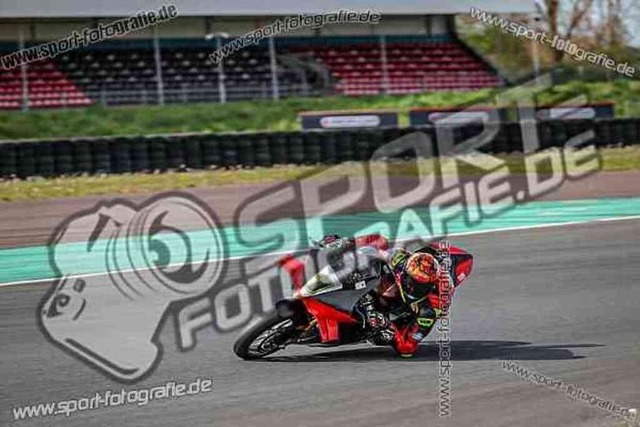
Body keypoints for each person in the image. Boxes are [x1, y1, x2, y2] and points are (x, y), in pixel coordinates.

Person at [316, 234, 473, 357]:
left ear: (428, 286)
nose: (410, 285)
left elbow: (408, 348)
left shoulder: (430, 309)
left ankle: (377, 321)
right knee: (380, 244)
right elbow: (375, 246)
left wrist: (388, 326)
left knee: (383, 338)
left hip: (406, 311)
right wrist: (346, 244)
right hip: (419, 267)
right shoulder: (401, 260)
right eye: (409, 279)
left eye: (417, 285)